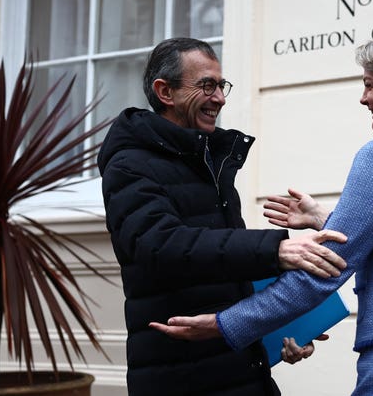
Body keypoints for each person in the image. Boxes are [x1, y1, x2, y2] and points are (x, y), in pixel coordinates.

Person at [150, 30, 373, 395]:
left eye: (370, 84)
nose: (363, 97)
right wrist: (325, 220)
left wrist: (226, 324)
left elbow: (325, 268)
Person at [97, 37, 347, 396]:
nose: (220, 98)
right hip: (182, 378)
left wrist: (281, 328)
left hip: (240, 367)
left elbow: (224, 265)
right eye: (207, 86)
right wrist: (277, 250)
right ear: (165, 91)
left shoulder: (208, 159)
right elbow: (160, 244)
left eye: (221, 85)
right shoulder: (128, 165)